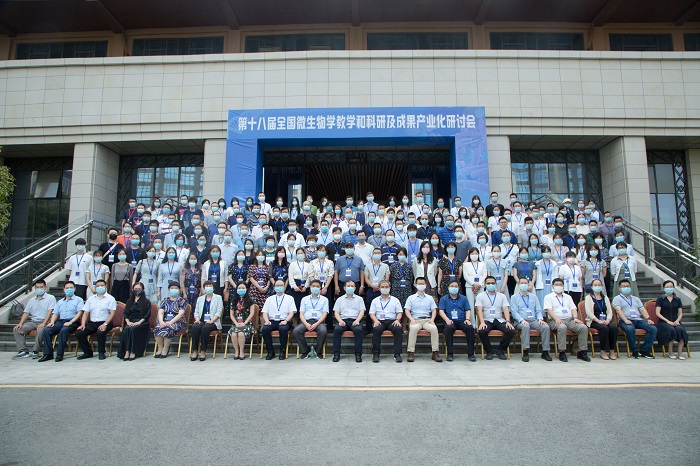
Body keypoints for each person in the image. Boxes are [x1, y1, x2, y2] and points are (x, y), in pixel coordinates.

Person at [543, 278, 591, 362]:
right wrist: (556, 319)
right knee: (562, 327)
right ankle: (562, 352)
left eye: (560, 285)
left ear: (563, 286)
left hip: (569, 319)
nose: (558, 286)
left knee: (583, 327)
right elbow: (548, 310)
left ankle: (582, 352)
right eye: (556, 285)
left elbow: (573, 308)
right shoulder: (548, 297)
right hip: (554, 320)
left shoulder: (568, 297)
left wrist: (575, 318)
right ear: (553, 286)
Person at [39, 281, 84, 362]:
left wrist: (71, 322)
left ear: (74, 289)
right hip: (61, 321)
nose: (69, 289)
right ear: (64, 289)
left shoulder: (78, 300)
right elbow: (55, 313)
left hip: (73, 322)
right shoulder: (60, 301)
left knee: (64, 330)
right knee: (47, 330)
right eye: (67, 288)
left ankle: (59, 354)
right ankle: (48, 354)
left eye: (71, 288)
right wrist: (52, 322)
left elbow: (79, 313)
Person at [510, 277, 552, 362]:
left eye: (525, 283)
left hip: (533, 320)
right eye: (521, 283)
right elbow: (514, 312)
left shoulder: (534, 297)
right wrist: (521, 320)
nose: (523, 285)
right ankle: (525, 351)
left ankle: (545, 351)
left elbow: (538, 310)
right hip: (520, 321)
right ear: (518, 285)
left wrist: (540, 319)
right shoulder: (514, 297)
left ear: (528, 284)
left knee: (545, 327)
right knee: (526, 327)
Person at [613, 279, 657, 359]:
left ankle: (645, 350)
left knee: (653, 329)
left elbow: (642, 310)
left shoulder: (636, 299)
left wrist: (648, 319)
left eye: (628, 286)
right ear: (619, 288)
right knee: (630, 329)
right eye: (624, 286)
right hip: (624, 320)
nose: (626, 288)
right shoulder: (617, 298)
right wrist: (626, 320)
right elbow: (618, 310)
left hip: (638, 320)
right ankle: (634, 351)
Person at [12, 280, 55, 359]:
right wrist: (20, 323)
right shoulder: (31, 300)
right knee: (17, 330)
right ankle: (23, 351)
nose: (39, 289)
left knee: (40, 330)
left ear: (45, 287)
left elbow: (50, 311)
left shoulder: (50, 298)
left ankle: (36, 350)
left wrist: (44, 323)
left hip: (45, 321)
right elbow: (26, 313)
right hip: (33, 322)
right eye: (37, 287)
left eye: (41, 287)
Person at [475, 276, 515, 360]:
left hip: (499, 320)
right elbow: (479, 310)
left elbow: (505, 309)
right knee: (482, 331)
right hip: (486, 320)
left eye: (492, 283)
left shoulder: (502, 296)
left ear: (495, 284)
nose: (490, 285)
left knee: (510, 330)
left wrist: (508, 321)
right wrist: (482, 322)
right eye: (488, 283)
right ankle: (489, 351)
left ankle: (500, 350)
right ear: (485, 284)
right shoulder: (480, 296)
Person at [75, 279, 117, 360]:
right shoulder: (91, 299)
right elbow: (85, 313)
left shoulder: (110, 298)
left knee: (100, 332)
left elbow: (112, 313)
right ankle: (88, 352)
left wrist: (105, 324)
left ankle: (101, 352)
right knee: (79, 333)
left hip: (106, 322)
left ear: (106, 286)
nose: (99, 287)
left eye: (102, 285)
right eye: (97, 286)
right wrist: (83, 324)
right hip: (93, 323)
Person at [404, 277, 442, 363]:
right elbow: (407, 310)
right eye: (419, 284)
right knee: (413, 328)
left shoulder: (430, 298)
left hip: (427, 320)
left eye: (422, 284)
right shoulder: (411, 298)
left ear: (426, 285)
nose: (421, 285)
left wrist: (432, 320)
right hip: (415, 320)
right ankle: (411, 352)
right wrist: (411, 319)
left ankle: (435, 352)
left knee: (434, 328)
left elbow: (434, 310)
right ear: (415, 285)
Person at [439, 280, 476, 362]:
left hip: (462, 321)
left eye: (456, 286)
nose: (454, 288)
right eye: (452, 286)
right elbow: (441, 311)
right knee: (449, 328)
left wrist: (467, 319)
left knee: (470, 328)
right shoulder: (443, 299)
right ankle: (450, 354)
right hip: (450, 321)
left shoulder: (464, 298)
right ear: (448, 287)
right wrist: (447, 320)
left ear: (459, 288)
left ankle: (471, 354)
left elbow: (468, 310)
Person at [369, 280, 404, 363]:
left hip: (392, 321)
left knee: (398, 329)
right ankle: (376, 354)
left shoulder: (395, 300)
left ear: (390, 288)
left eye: (386, 287)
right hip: (379, 321)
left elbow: (399, 312)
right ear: (379, 288)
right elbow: (371, 313)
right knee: (376, 329)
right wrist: (375, 321)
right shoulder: (375, 300)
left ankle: (397, 354)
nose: (384, 289)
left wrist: (397, 320)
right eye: (382, 287)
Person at [261, 280, 296, 360]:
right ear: (274, 288)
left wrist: (286, 321)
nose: (279, 287)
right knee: (265, 329)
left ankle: (282, 351)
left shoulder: (290, 298)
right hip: (272, 321)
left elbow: (292, 312)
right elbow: (265, 312)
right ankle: (270, 351)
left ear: (284, 287)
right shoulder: (269, 299)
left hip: (285, 320)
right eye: (277, 286)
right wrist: (266, 321)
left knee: (283, 329)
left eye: (281, 285)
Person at [293, 279, 329, 359]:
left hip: (319, 322)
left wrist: (316, 324)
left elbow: (325, 314)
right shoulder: (304, 299)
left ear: (320, 288)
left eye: (317, 286)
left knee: (323, 331)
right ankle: (306, 350)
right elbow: (301, 313)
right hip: (306, 321)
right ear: (310, 287)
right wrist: (306, 324)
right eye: (313, 286)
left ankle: (318, 351)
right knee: (296, 331)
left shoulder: (325, 299)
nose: (315, 288)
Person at [583, 279, 618, 360]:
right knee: (604, 328)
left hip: (605, 320)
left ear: (602, 286)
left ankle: (612, 350)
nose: (597, 286)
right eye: (595, 285)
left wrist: (608, 320)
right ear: (592, 287)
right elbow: (588, 312)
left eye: (599, 285)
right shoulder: (588, 298)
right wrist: (598, 320)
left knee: (613, 328)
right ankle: (603, 351)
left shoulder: (605, 297)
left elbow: (609, 311)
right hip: (593, 320)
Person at [332, 281, 365, 363]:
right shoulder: (339, 299)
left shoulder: (359, 299)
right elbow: (336, 312)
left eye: (352, 286)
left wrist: (357, 320)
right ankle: (336, 354)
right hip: (343, 320)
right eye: (348, 286)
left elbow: (362, 311)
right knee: (337, 330)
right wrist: (340, 321)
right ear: (344, 288)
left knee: (358, 330)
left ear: (355, 288)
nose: (350, 287)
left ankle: (358, 355)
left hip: (355, 320)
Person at [116, 282, 151, 360]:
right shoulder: (129, 301)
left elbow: (147, 314)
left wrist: (139, 322)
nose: (137, 290)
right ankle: (126, 351)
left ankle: (133, 351)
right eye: (135, 289)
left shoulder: (146, 301)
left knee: (133, 329)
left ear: (142, 290)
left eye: (139, 289)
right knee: (127, 329)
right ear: (132, 289)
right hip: (131, 321)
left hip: (142, 323)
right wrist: (128, 322)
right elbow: (125, 313)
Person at [189, 281, 223, 361]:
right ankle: (195, 350)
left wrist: (212, 320)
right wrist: (197, 319)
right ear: (204, 288)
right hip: (201, 321)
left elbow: (219, 312)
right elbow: (196, 312)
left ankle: (203, 351)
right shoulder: (200, 299)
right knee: (195, 327)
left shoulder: (218, 298)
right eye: (206, 286)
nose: (208, 288)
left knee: (205, 328)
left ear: (213, 288)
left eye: (210, 286)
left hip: (213, 322)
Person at [655, 281, 688, 360]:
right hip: (664, 322)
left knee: (680, 329)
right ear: (663, 288)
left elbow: (680, 313)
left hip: (675, 321)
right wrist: (668, 321)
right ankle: (670, 352)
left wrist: (677, 321)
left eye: (671, 287)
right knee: (671, 330)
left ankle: (680, 353)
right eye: (667, 287)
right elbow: (657, 313)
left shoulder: (677, 300)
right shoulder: (660, 299)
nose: (669, 288)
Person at [153, 282, 188, 358]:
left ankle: (165, 349)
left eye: (176, 288)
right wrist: (161, 322)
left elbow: (181, 314)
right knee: (158, 328)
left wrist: (170, 322)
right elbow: (160, 312)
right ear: (168, 290)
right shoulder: (165, 300)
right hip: (165, 321)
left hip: (178, 322)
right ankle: (160, 348)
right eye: (172, 288)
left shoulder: (181, 301)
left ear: (179, 290)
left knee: (168, 329)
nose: (174, 290)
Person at [228, 283, 257, 360]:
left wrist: (244, 323)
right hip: (236, 323)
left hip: (247, 323)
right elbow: (231, 314)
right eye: (239, 288)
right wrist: (236, 323)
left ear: (246, 289)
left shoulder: (250, 300)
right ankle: (236, 351)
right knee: (234, 334)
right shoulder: (233, 300)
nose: (241, 289)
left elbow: (252, 313)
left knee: (241, 333)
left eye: (243, 288)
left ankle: (241, 352)